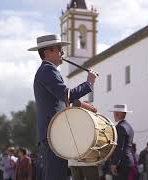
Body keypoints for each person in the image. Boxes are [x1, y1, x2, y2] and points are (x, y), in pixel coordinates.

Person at [29, 34, 97, 180]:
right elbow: (67, 95)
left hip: (54, 132)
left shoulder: (48, 70)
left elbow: (62, 99)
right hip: (52, 132)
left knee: (56, 174)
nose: (63, 53)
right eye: (59, 49)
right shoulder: (48, 70)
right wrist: (89, 83)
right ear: (48, 52)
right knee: (56, 175)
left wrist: (84, 105)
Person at [109, 104, 134, 180]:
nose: (114, 114)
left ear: (117, 113)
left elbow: (119, 147)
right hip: (128, 161)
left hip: (121, 164)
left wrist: (114, 163)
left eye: (115, 112)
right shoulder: (129, 126)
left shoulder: (120, 127)